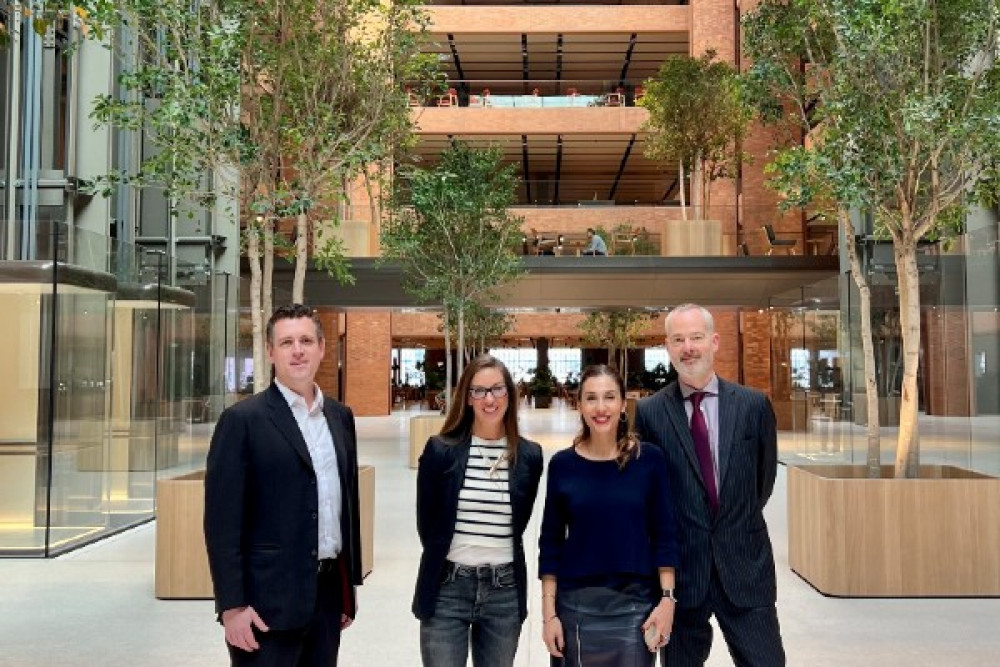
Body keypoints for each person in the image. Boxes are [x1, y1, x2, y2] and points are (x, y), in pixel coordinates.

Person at [204, 304, 363, 667]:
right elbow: (221, 524)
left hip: (326, 600)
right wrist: (232, 606)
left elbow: (344, 505)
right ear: (271, 351)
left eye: (306, 340)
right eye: (287, 342)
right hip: (264, 607)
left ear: (322, 348)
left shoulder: (340, 417)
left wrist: (346, 591)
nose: (298, 350)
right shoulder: (242, 421)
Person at [634, 304, 785, 666]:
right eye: (678, 340)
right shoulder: (651, 413)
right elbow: (649, 496)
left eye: (696, 338)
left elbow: (762, 482)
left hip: (745, 567)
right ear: (668, 348)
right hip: (684, 576)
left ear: (714, 341)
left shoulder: (753, 406)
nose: (688, 347)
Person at [538, 365, 678, 666]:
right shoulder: (563, 465)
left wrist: (667, 599)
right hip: (574, 606)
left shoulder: (649, 460)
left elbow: (664, 534)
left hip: (635, 605)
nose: (601, 408)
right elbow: (550, 545)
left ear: (623, 403)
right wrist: (549, 614)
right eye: (591, 398)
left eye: (609, 397)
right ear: (579, 405)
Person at [413, 354, 544, 667]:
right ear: (467, 398)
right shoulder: (440, 451)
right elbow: (428, 526)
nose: (489, 399)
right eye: (479, 391)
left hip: (504, 591)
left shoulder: (529, 456)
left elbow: (519, 522)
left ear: (510, 395)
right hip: (448, 588)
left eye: (497, 389)